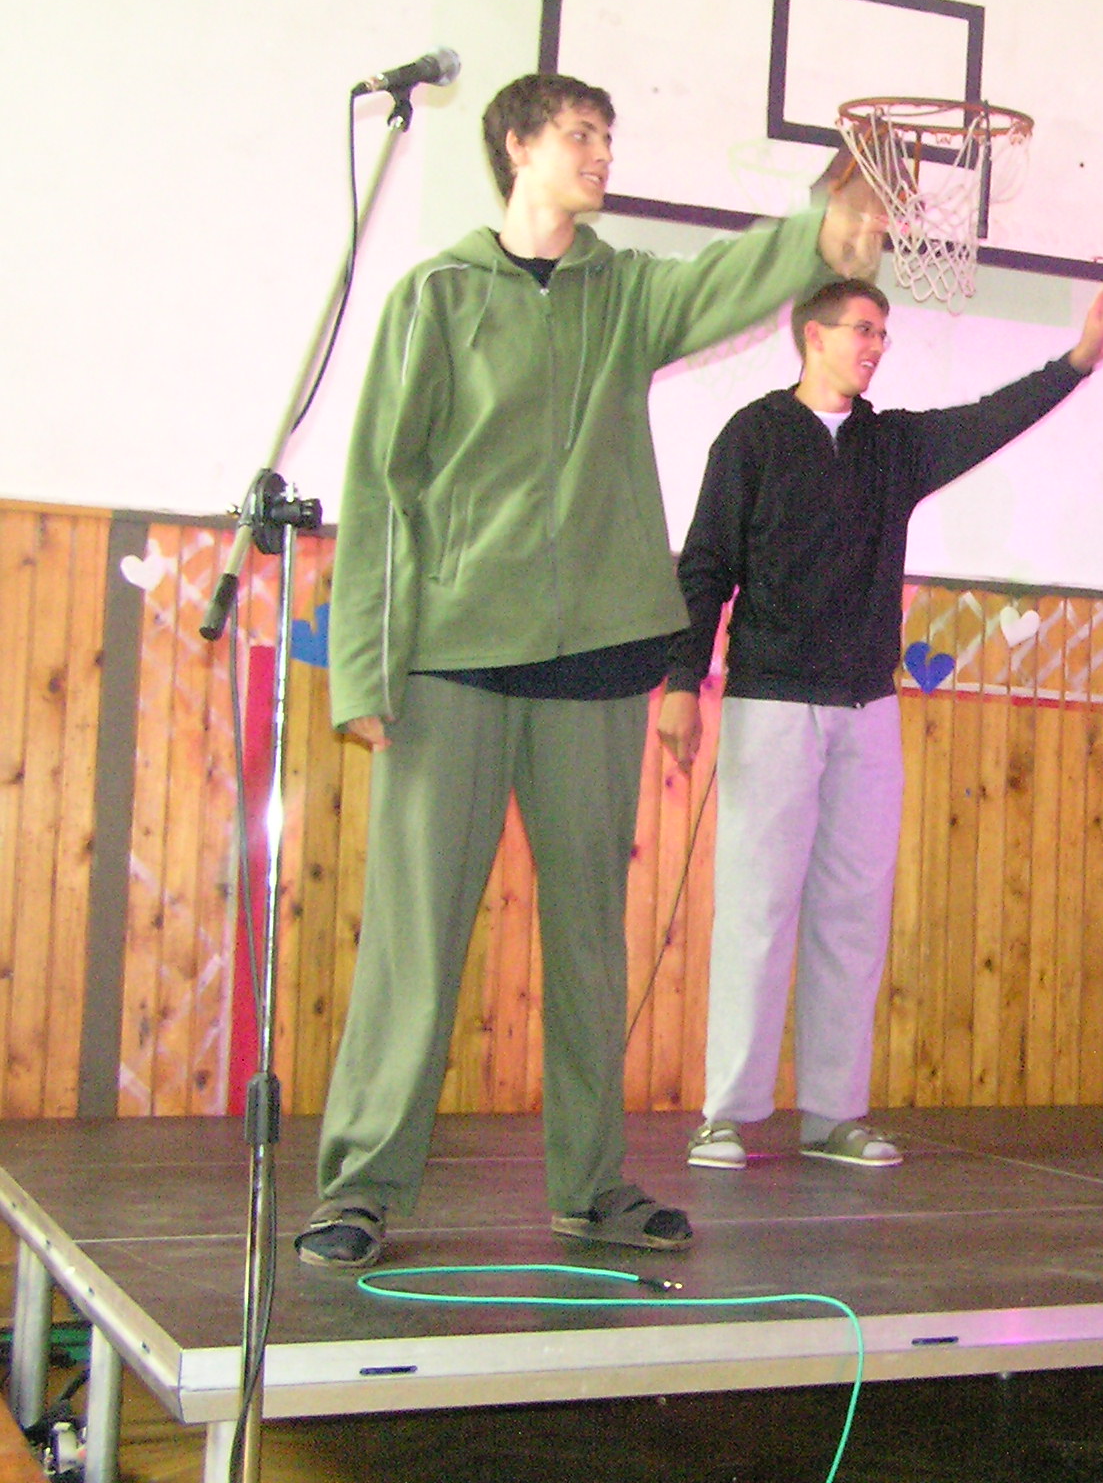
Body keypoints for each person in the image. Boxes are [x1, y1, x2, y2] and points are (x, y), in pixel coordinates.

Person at [297, 72, 883, 1269]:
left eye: (608, 135)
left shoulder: (625, 292)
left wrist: (819, 231)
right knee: (416, 939)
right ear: (517, 147)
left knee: (587, 946)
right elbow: (379, 484)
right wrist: (363, 668)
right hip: (454, 662)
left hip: (601, 663)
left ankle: (591, 1182)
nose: (601, 152)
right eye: (579, 134)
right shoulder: (436, 295)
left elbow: (724, 281)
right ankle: (360, 1182)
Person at [662, 275, 1103, 1171]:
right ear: (813, 335)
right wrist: (684, 678)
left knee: (852, 916)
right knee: (757, 913)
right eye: (863, 329)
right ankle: (726, 1113)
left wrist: (1075, 361)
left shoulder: (893, 446)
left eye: (884, 332)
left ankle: (834, 1114)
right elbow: (706, 566)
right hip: (770, 704)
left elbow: (991, 418)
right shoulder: (754, 436)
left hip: (868, 709)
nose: (877, 345)